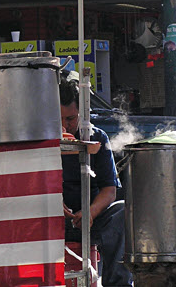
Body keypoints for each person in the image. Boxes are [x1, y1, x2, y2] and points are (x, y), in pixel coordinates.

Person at [60, 76, 133, 287]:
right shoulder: (43, 140)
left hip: (92, 218)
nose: (65, 125)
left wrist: (91, 212)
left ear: (83, 115)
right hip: (54, 218)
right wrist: (52, 201)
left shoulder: (98, 137)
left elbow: (110, 189)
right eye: (60, 119)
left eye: (71, 119)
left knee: (122, 211)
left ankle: (117, 283)